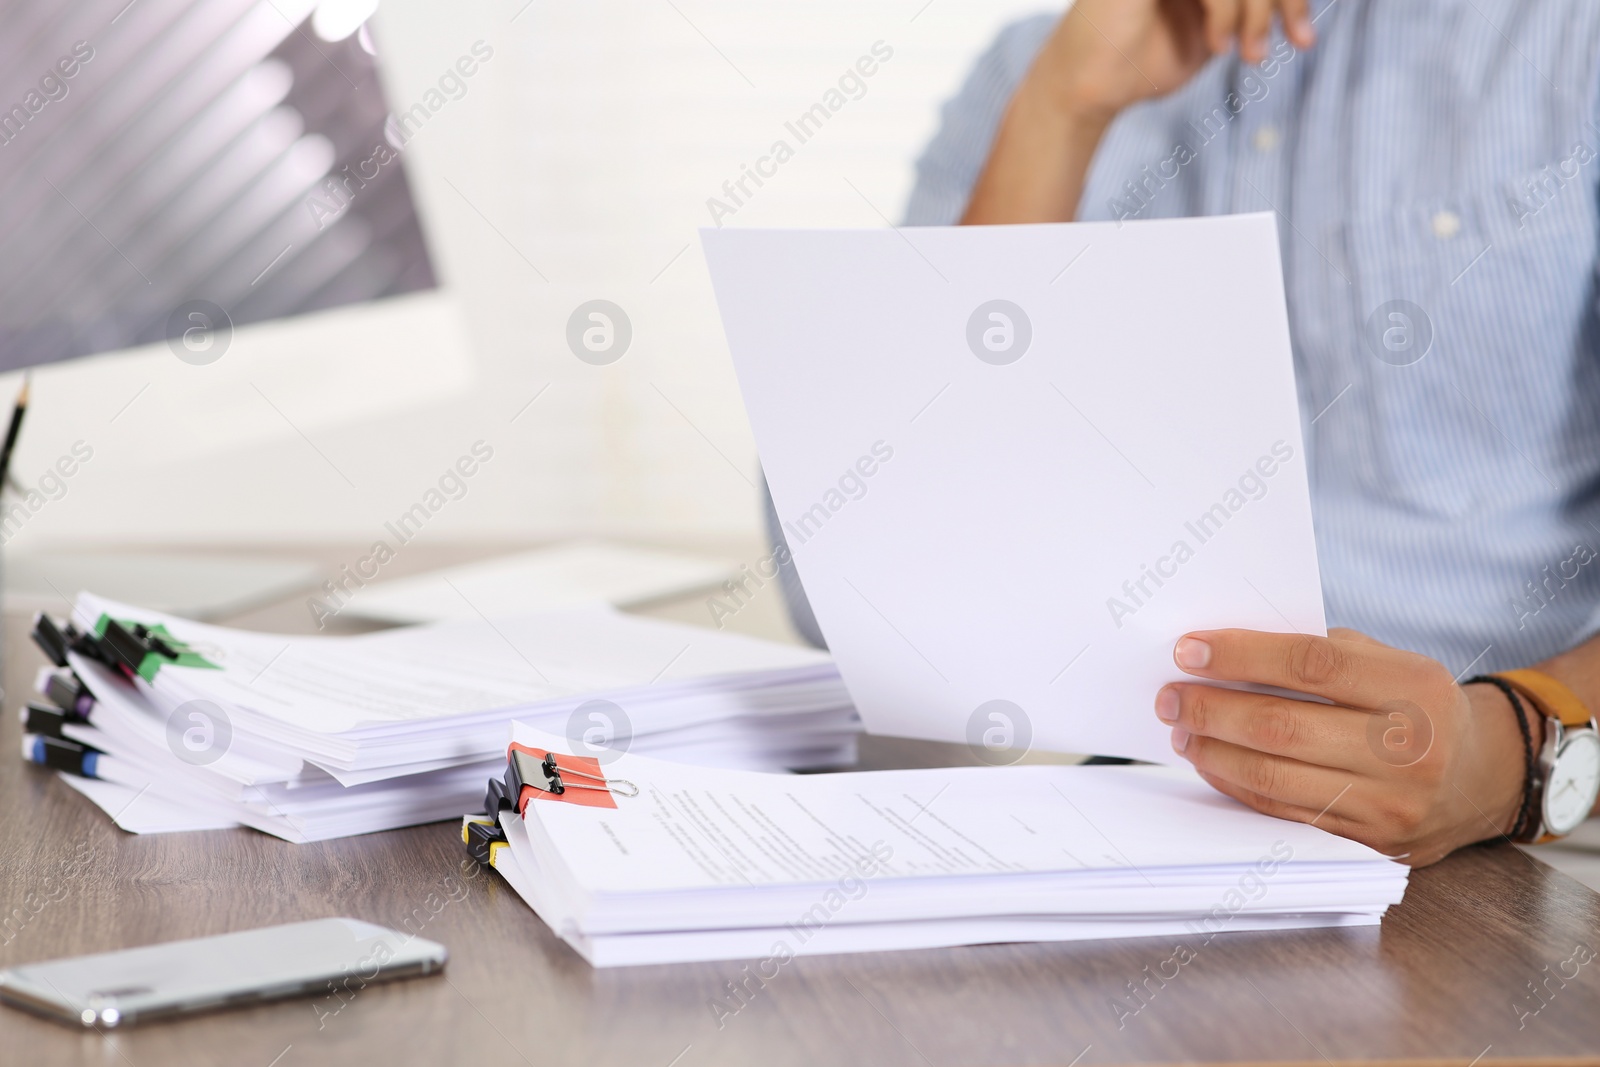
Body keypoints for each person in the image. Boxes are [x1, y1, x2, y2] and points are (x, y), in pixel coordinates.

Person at [768, 0, 1600, 866]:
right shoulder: (1039, 62)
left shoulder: (1571, 41)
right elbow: (838, 588)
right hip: (1118, 812)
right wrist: (1063, 110)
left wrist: (1505, 758)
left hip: (1529, 833)